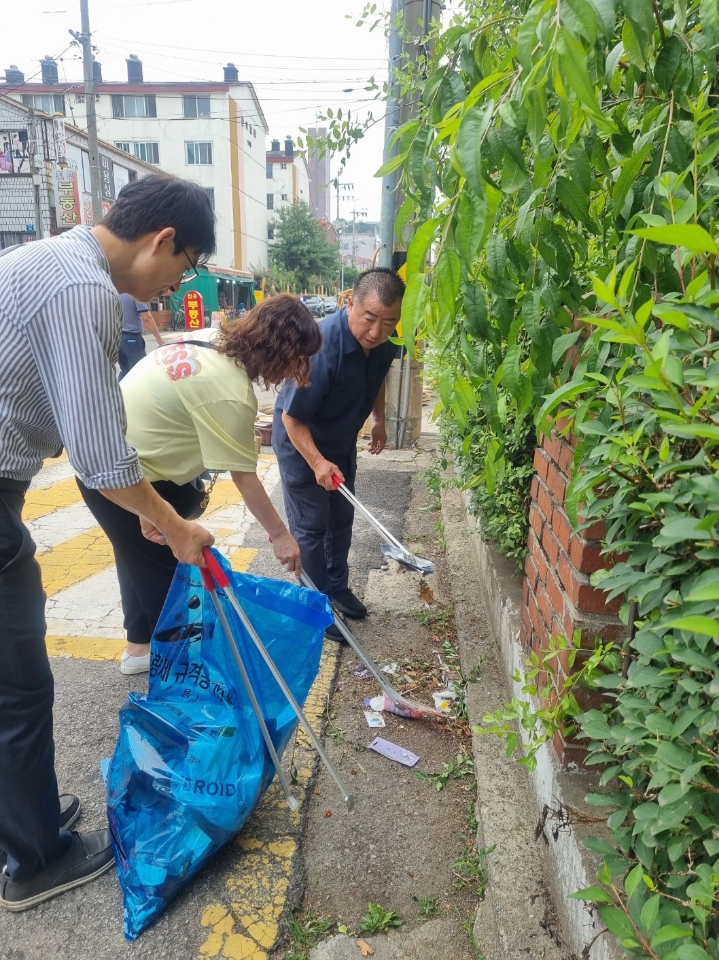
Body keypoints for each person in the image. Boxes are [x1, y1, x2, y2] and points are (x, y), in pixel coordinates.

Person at [0, 173, 216, 912]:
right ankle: (34, 860)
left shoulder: (45, 260)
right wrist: (177, 523)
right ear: (161, 240)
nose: (169, 289)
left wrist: (150, 511)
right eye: (181, 268)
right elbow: (99, 451)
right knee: (18, 690)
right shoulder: (81, 289)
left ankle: (20, 819)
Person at [78, 295, 322, 675]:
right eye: (298, 358)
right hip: (124, 478)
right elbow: (244, 478)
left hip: (104, 461)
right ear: (278, 350)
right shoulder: (228, 390)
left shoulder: (210, 339)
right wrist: (281, 536)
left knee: (135, 557)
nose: (299, 370)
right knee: (166, 577)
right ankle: (182, 681)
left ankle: (140, 649)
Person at [272, 269, 405, 640]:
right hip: (303, 445)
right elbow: (292, 417)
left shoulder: (385, 341)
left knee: (341, 517)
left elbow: (377, 376)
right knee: (312, 526)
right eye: (370, 318)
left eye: (389, 322)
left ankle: (337, 587)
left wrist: (378, 420)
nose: (377, 332)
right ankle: (316, 607)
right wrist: (316, 462)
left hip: (340, 441)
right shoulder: (320, 347)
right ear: (351, 304)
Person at [118, 293, 164, 378]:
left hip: (118, 338)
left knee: (125, 371)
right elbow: (147, 318)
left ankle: (119, 390)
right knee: (139, 372)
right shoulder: (135, 294)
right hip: (132, 339)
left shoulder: (116, 293)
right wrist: (158, 338)